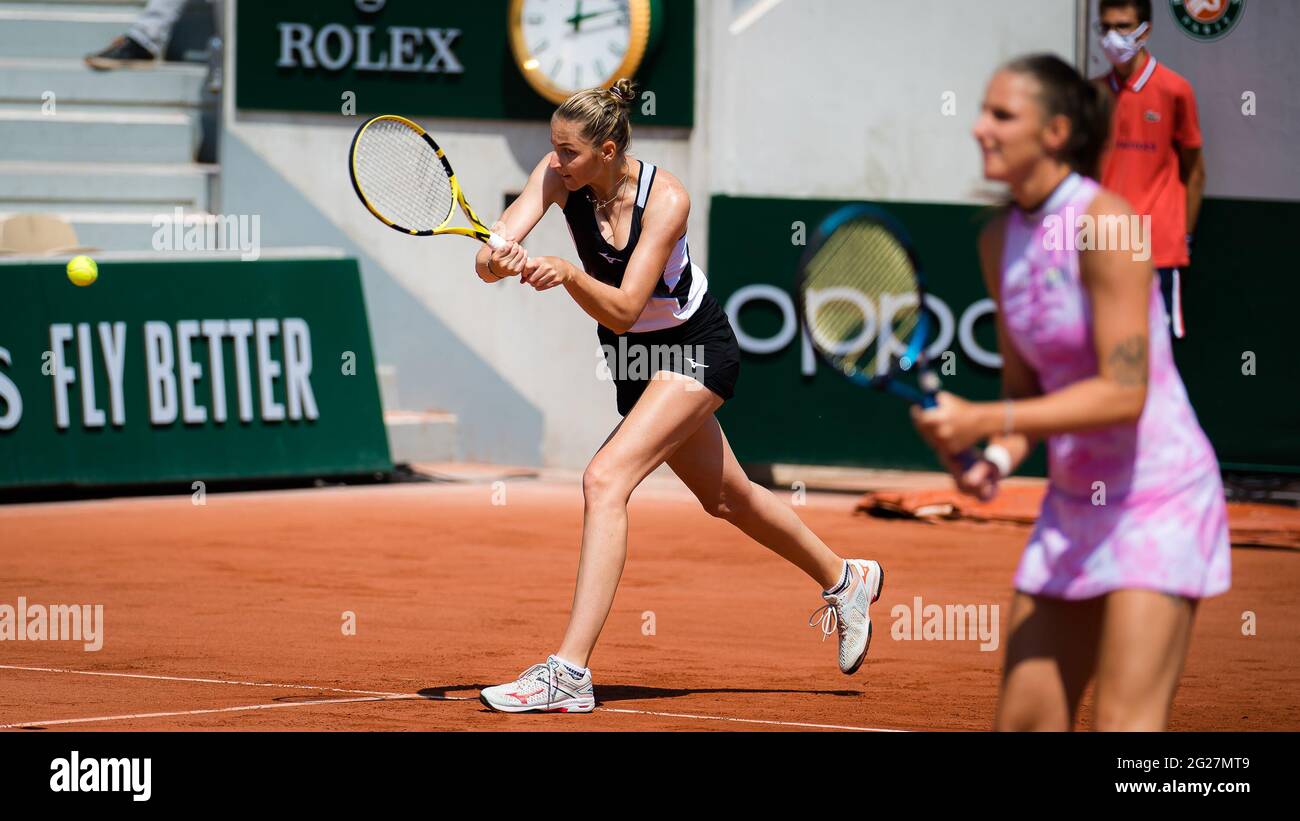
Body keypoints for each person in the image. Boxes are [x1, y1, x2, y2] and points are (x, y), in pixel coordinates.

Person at [472, 80, 884, 713]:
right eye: (553, 149)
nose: (556, 161)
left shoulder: (666, 199)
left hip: (694, 350)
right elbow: (499, 242)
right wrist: (496, 256)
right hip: (636, 362)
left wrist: (568, 273)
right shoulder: (558, 176)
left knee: (604, 480)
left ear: (607, 149)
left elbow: (625, 307)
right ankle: (845, 577)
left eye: (570, 152)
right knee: (728, 497)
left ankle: (569, 673)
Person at [912, 55, 1229, 731]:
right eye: (981, 111)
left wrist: (985, 417)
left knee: (1125, 727)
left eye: (1002, 115)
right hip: (1073, 505)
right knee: (1025, 723)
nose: (978, 128)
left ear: (1056, 132)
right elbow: (1028, 391)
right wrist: (992, 457)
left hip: (1159, 496)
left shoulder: (1106, 223)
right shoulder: (999, 241)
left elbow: (1123, 393)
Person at [1094, 0, 1205, 339]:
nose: (1114, 37)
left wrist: (1183, 236)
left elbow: (1195, 171)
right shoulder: (1092, 94)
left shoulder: (1175, 90)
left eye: (1124, 26)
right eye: (1106, 27)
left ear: (1146, 29)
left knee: (1159, 356)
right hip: (1103, 246)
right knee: (1103, 351)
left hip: (1158, 250)